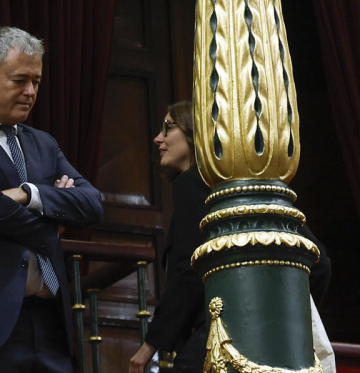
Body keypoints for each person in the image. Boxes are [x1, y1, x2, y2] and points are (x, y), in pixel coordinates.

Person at [128, 101, 332, 373]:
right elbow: (320, 264)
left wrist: (148, 346)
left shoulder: (192, 183)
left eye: (168, 127)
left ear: (194, 131)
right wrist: (283, 326)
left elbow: (191, 270)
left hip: (214, 341)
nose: (158, 138)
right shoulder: (251, 191)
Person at [0, 27, 103, 373]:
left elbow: (93, 203)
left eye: (37, 82)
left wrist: (29, 194)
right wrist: (55, 211)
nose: (31, 92)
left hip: (51, 323)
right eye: (20, 80)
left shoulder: (43, 142)